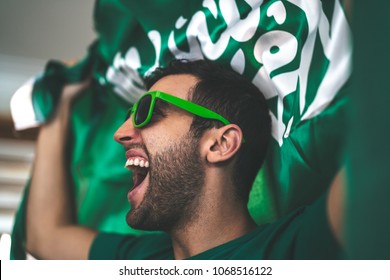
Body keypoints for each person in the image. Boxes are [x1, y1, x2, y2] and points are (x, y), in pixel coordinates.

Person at [26, 59, 343, 260]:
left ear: (220, 144)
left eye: (149, 112)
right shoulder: (146, 262)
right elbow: (45, 237)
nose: (120, 134)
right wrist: (57, 108)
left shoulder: (297, 250)